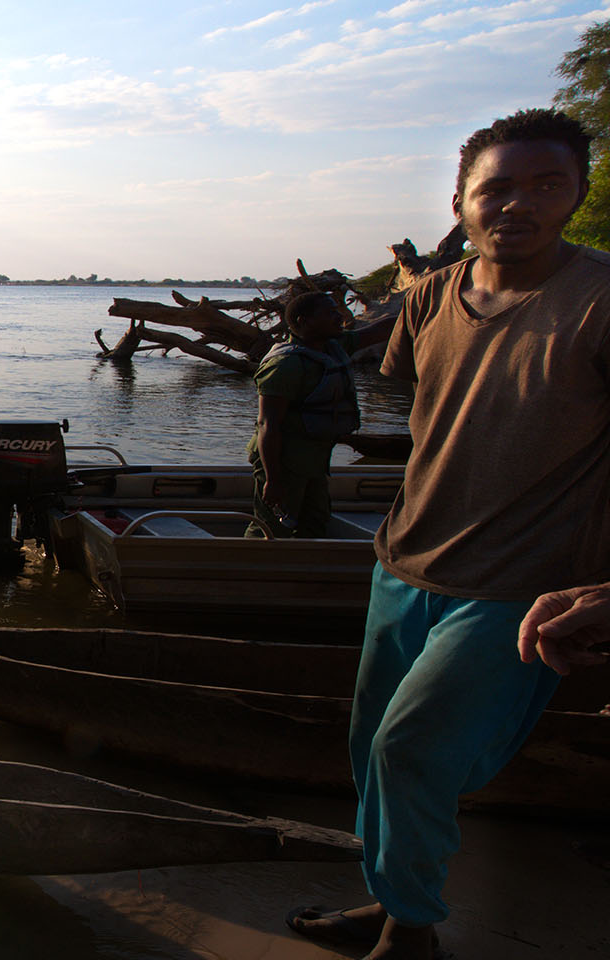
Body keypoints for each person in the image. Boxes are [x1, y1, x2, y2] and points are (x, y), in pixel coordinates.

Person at [286, 109, 610, 960]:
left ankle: (414, 930)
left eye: (546, 185)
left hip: (524, 583)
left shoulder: (600, 300)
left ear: (575, 195)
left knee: (414, 747)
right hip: (406, 559)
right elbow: (431, 411)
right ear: (461, 201)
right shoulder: (431, 293)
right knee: (371, 748)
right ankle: (393, 899)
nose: (518, 204)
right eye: (496, 187)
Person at [246, 291, 393, 538]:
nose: (339, 317)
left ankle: (303, 572)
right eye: (330, 313)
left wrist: (420, 307)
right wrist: (273, 479)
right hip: (283, 461)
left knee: (315, 521)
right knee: (271, 528)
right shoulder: (285, 364)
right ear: (304, 321)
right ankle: (246, 571)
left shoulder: (333, 347)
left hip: (314, 459)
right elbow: (267, 425)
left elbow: (379, 331)